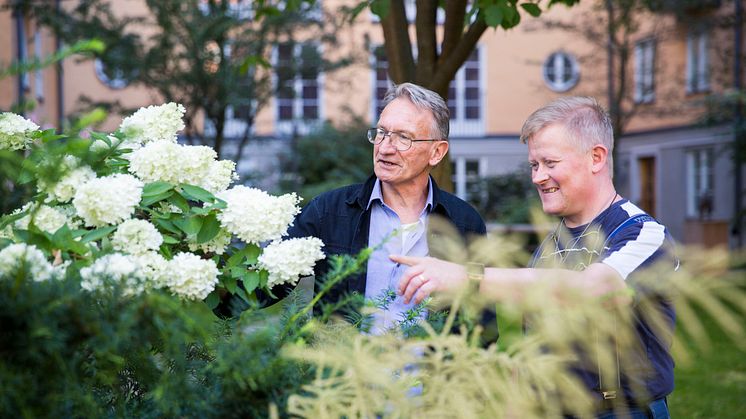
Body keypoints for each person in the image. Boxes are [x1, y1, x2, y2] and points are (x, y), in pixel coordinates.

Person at [391, 96, 676, 418]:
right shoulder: (550, 244)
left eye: (550, 163)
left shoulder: (642, 233)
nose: (537, 177)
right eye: (534, 165)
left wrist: (466, 277)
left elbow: (593, 290)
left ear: (596, 157)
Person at [287, 82, 485, 334]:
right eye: (381, 132)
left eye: (403, 137)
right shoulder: (328, 212)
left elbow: (481, 323)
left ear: (436, 152)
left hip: (430, 372)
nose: (385, 147)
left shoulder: (465, 223)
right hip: (347, 370)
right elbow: (267, 286)